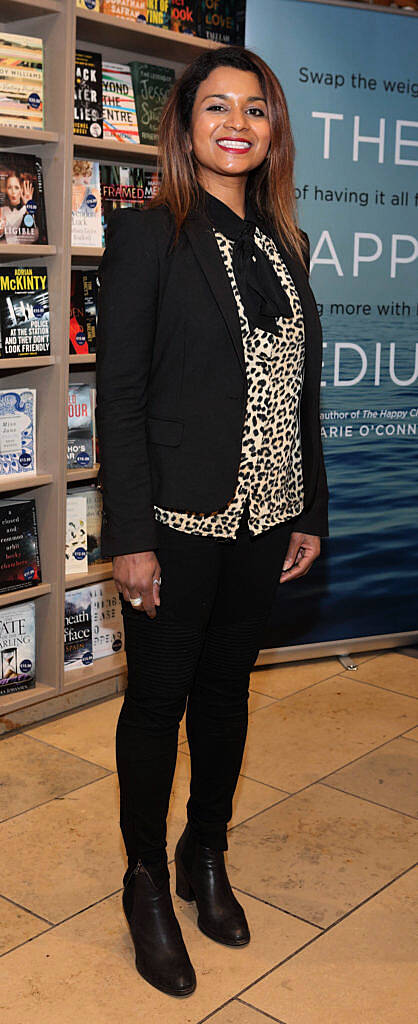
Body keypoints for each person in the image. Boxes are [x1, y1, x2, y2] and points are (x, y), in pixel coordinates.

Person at [96, 45, 329, 999]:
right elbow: (121, 396)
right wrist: (131, 536)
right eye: (217, 106)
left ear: (273, 132)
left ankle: (206, 854)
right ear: (187, 126)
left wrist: (309, 503)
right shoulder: (149, 235)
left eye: (257, 109)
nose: (237, 122)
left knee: (227, 697)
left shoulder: (287, 242)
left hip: (266, 518)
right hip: (179, 520)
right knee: (156, 702)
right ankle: (145, 879)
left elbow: (298, 390)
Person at [0, 172, 39, 244]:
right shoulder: (2, 210)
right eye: (9, 187)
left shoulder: (26, 210)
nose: (13, 192)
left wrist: (28, 207)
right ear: (6, 190)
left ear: (21, 189)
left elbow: (35, 234)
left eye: (16, 187)